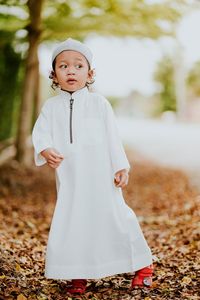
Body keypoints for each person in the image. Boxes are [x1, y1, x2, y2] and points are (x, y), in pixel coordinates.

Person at [31, 38, 153, 295]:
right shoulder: (51, 107)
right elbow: (41, 133)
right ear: (54, 74)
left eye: (78, 65)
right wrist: (45, 149)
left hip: (100, 177)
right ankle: (78, 272)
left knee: (118, 217)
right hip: (71, 180)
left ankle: (142, 266)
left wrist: (121, 166)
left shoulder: (100, 105)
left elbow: (113, 137)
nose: (71, 70)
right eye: (63, 66)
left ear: (90, 73)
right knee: (73, 222)